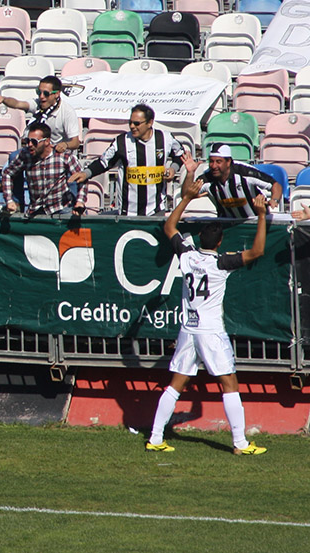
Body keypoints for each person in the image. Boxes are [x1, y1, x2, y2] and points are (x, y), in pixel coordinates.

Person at [147, 179, 268, 456]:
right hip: (211, 331)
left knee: (176, 384)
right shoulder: (221, 263)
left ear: (200, 239)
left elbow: (169, 227)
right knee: (229, 384)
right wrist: (261, 215)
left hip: (188, 330)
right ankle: (239, 444)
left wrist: (187, 198)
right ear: (220, 241)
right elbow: (258, 251)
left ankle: (155, 438)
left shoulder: (187, 256)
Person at [69, 103, 185, 216]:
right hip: (127, 212)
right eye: (130, 123)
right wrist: (86, 173)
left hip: (156, 210)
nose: (132, 126)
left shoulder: (165, 138)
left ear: (150, 123)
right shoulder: (121, 142)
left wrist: (173, 169)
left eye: (137, 123)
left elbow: (180, 154)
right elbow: (103, 163)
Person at [2, 121, 87, 216]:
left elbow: (82, 178)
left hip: (62, 209)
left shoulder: (64, 156)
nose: (30, 145)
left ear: (47, 141)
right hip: (36, 210)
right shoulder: (25, 155)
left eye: (34, 142)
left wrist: (80, 201)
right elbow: (8, 174)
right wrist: (9, 200)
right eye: (27, 141)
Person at [181, 144, 282, 219]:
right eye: (211, 161)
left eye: (218, 162)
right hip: (226, 224)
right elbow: (186, 195)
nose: (214, 166)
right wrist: (190, 173)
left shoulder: (244, 172)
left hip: (255, 221)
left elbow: (275, 184)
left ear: (228, 162)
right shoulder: (208, 177)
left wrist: (275, 200)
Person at [0, 75, 81, 155]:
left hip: (56, 153)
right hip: (36, 150)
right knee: (13, 156)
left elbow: (76, 143)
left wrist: (65, 144)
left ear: (57, 94)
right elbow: (17, 104)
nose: (41, 96)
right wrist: (4, 100)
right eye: (39, 92)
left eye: (46, 93)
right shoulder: (37, 104)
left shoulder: (67, 112)